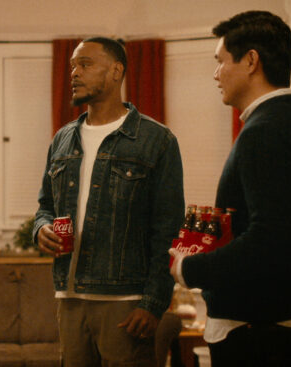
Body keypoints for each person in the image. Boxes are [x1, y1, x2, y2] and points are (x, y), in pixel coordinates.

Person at [169, 11, 291, 367]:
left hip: (260, 330)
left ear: (251, 61)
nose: (216, 73)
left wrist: (189, 269)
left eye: (221, 61)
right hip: (274, 325)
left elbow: (270, 240)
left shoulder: (266, 131)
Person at [34, 37, 185, 366]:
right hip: (69, 298)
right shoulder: (62, 139)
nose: (74, 73)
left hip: (126, 301)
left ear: (116, 71)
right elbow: (45, 206)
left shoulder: (156, 140)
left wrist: (153, 302)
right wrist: (41, 228)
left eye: (85, 64)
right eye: (73, 65)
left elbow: (169, 229)